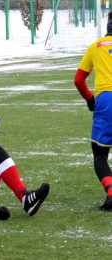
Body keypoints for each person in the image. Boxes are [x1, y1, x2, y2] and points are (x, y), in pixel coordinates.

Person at [74, 11, 112, 210]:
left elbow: (78, 80)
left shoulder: (95, 46)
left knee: (100, 153)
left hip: (106, 99)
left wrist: (90, 100)